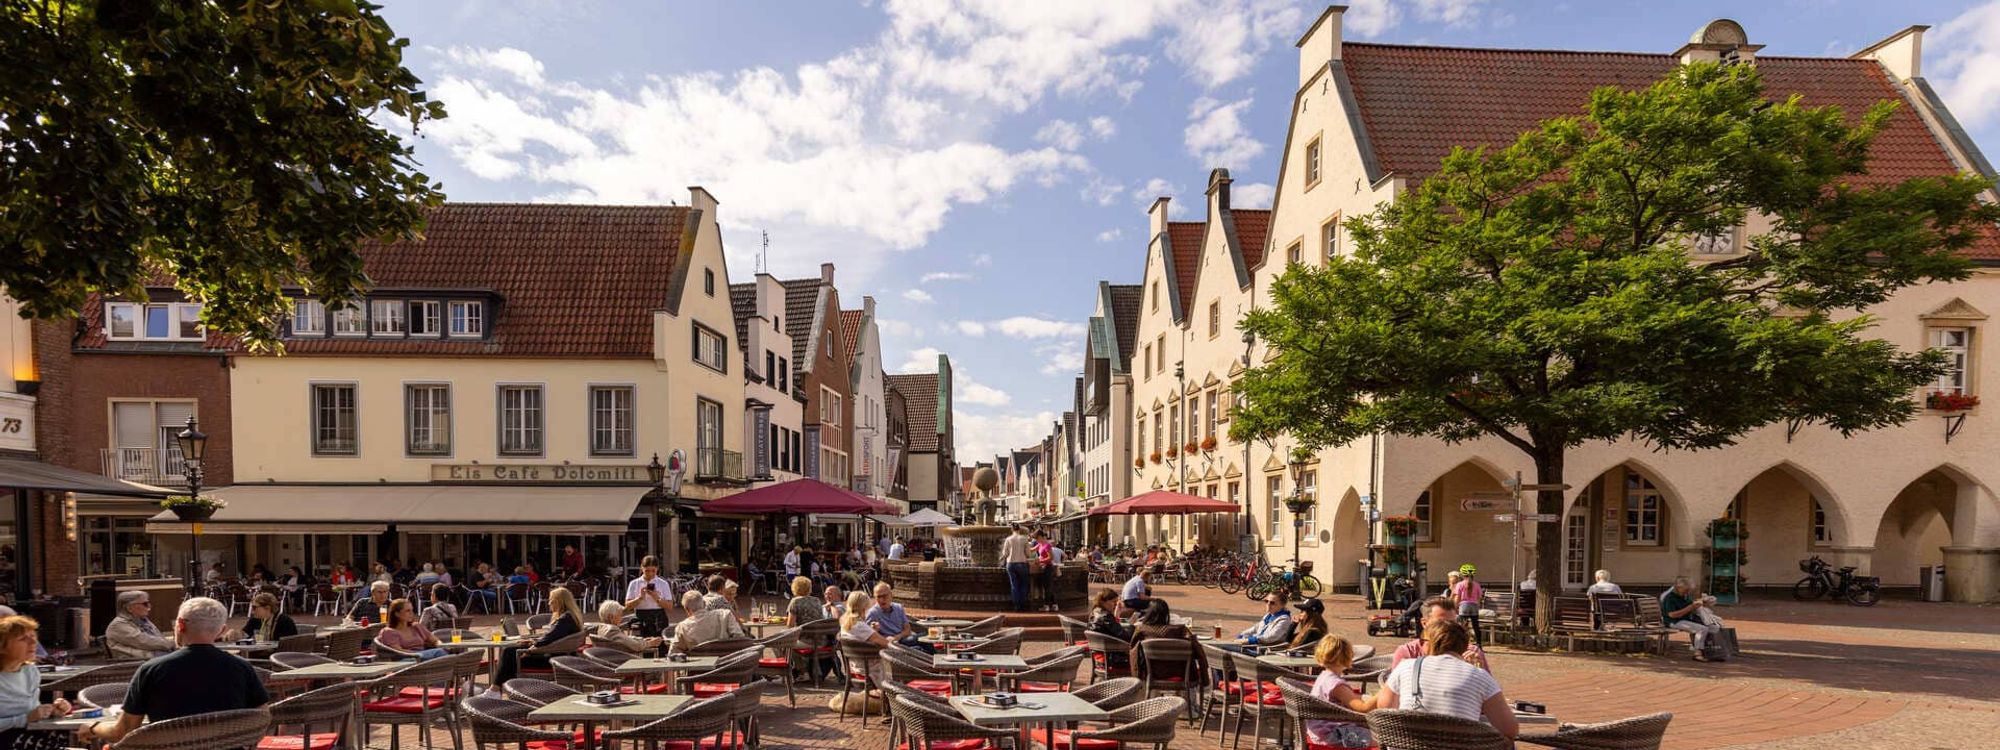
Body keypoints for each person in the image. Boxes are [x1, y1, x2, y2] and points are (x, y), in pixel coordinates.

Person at [80, 598, 268, 744]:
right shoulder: (242, 668)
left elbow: (123, 731)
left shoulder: (152, 670)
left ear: (180, 625)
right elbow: (262, 718)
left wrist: (94, 727)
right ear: (221, 631)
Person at [1377, 621, 1517, 738]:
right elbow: (1509, 729)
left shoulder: (1406, 666)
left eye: (1422, 641)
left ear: (1431, 644)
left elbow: (1384, 707)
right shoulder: (1480, 676)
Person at [0, 615, 71, 749]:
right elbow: (27, 717)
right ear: (2, 647)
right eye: (23, 639)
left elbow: (32, 712)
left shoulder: (30, 672)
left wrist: (51, 711)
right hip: (6, 740)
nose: (33, 643)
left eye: (33, 637)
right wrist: (26, 719)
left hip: (31, 733)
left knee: (84, 734)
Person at [494, 588, 587, 685]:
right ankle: (505, 687)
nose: (549, 603)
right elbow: (553, 638)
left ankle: (498, 688)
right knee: (510, 653)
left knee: (509, 653)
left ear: (559, 601)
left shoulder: (565, 619)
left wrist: (531, 648)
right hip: (562, 655)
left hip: (552, 660)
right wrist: (532, 642)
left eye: (551, 599)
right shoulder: (571, 616)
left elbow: (547, 640)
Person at [1304, 634, 1378, 747]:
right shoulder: (1336, 685)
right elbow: (1363, 708)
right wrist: (1382, 693)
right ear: (1348, 657)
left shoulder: (1324, 677)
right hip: (1333, 734)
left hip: (1319, 731)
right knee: (1386, 740)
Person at [1390, 597, 1489, 671]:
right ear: (1425, 623)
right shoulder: (1409, 653)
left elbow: (1490, 693)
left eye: (1453, 623)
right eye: (1441, 623)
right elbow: (1393, 693)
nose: (1449, 628)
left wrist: (1479, 671)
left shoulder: (1471, 652)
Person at [1126, 600, 1206, 682]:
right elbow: (1199, 652)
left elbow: (1133, 654)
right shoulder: (1181, 630)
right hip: (1181, 674)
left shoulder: (1142, 630)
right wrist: (1205, 679)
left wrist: (1136, 678)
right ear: (1166, 614)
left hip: (1152, 674)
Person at [1663, 577, 1725, 662]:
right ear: (1678, 588)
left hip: (1687, 619)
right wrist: (1690, 607)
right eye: (1686, 590)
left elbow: (1692, 605)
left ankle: (1713, 651)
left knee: (1714, 628)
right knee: (1702, 629)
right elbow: (1672, 615)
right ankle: (1698, 653)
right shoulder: (1670, 598)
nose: (1688, 592)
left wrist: (1704, 602)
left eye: (1688, 590)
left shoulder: (1685, 595)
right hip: (1673, 622)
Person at [668, 591, 746, 654]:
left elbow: (673, 653)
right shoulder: (725, 615)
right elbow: (740, 638)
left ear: (686, 610)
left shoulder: (682, 627)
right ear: (704, 604)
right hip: (729, 666)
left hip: (699, 671)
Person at [105, 591, 175, 660]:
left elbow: (158, 638)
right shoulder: (118, 625)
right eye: (145, 604)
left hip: (153, 657)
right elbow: (146, 642)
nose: (149, 606)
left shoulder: (141, 619)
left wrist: (174, 644)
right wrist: (173, 644)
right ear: (129, 608)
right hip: (137, 662)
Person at [864, 583, 932, 654]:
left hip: (903, 639)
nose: (881, 600)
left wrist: (897, 637)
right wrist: (874, 630)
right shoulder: (872, 613)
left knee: (924, 640)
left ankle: (935, 662)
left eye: (884, 596)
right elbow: (869, 638)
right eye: (878, 597)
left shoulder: (898, 608)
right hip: (891, 646)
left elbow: (907, 630)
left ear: (891, 595)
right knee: (923, 640)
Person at [838, 591, 889, 684]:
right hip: (869, 670)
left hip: (855, 666)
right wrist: (893, 641)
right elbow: (885, 643)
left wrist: (872, 630)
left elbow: (863, 638)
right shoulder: (859, 625)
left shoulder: (845, 622)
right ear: (864, 607)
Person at [376, 598, 447, 660]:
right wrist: (418, 654)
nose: (411, 613)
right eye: (408, 611)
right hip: (405, 660)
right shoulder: (389, 632)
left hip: (423, 657)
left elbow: (435, 640)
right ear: (397, 614)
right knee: (439, 652)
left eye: (412, 610)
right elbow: (398, 651)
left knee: (444, 651)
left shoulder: (416, 626)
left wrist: (441, 645)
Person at [1224, 593, 1295, 653]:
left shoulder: (1284, 619)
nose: (1268, 604)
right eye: (1266, 601)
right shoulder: (1269, 615)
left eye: (1272, 603)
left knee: (1223, 648)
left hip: (1262, 650)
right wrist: (1241, 635)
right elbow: (1255, 628)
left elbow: (1271, 637)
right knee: (1220, 647)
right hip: (1254, 646)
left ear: (1282, 605)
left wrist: (1250, 640)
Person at [623, 556, 673, 637]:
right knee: (640, 645)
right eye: (647, 571)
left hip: (658, 617)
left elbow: (670, 606)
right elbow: (627, 607)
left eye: (653, 571)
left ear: (657, 569)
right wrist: (640, 598)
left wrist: (656, 597)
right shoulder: (634, 583)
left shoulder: (663, 583)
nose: (650, 574)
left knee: (660, 646)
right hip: (640, 616)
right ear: (642, 568)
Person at [591, 601, 662, 654]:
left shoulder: (602, 628)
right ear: (611, 617)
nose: (621, 618)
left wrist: (643, 640)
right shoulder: (612, 630)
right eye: (619, 615)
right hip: (623, 661)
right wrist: (650, 643)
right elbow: (636, 646)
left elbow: (624, 640)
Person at [1452, 564, 1486, 644]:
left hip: (1464, 606)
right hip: (1474, 606)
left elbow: (1458, 597)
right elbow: (1479, 597)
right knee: (1475, 626)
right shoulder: (1477, 585)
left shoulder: (1459, 585)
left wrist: (1455, 607)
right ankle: (1479, 644)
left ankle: (1462, 643)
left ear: (1462, 575)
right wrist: (1477, 605)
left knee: (1462, 627)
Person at [1000, 525, 1032, 612]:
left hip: (1011, 564)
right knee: (1024, 584)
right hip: (1022, 563)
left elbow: (1005, 553)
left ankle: (1016, 606)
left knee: (1014, 585)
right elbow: (1028, 554)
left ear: (1012, 530)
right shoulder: (1024, 539)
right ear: (1019, 529)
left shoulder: (1008, 539)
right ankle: (1022, 605)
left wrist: (1000, 560)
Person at [1032, 530, 1057, 611]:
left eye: (1036, 538)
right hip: (1044, 567)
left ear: (1040, 536)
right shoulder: (1040, 544)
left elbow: (1051, 557)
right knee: (1048, 587)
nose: (1036, 540)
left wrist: (1040, 561)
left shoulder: (1047, 545)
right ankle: (1054, 605)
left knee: (1047, 587)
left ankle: (1046, 606)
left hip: (1048, 567)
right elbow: (1031, 549)